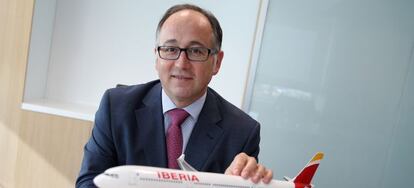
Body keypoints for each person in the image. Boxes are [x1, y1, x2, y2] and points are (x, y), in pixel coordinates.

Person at [76, 4, 273, 187]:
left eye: (196, 51)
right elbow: (89, 183)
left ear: (217, 62)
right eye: (170, 49)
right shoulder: (116, 107)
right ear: (156, 57)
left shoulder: (242, 132)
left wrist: (245, 182)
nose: (181, 63)